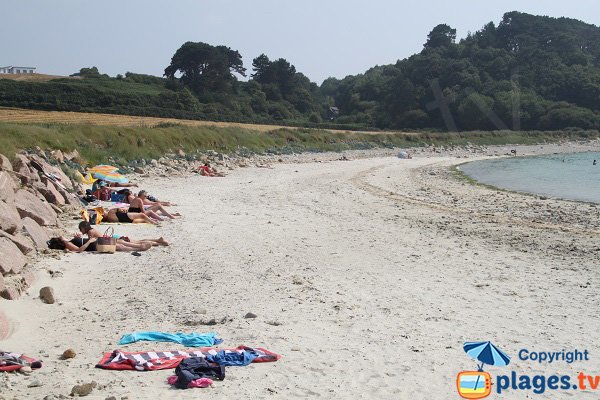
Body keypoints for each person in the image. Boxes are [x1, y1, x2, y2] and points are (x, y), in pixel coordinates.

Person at [78, 221, 169, 249]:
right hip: (113, 237)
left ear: (84, 227)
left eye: (81, 229)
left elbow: (91, 242)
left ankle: (158, 241)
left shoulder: (90, 232)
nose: (81, 231)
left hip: (112, 239)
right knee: (137, 241)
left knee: (137, 242)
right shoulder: (93, 230)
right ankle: (158, 241)